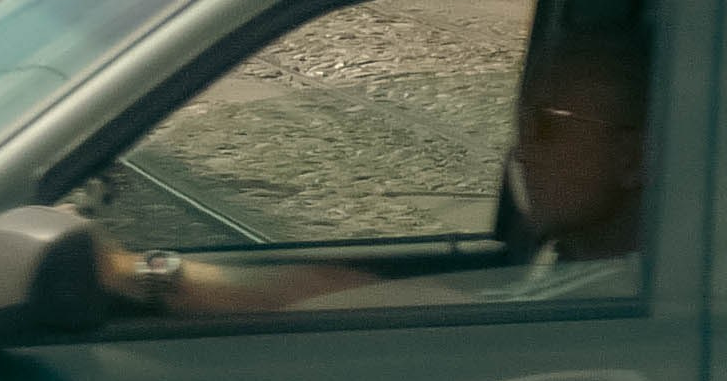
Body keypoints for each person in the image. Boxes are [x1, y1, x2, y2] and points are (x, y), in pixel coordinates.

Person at [94, 28, 651, 321]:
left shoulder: (618, 293)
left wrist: (146, 275)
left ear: (633, 158)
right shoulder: (573, 266)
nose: (520, 151)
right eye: (519, 120)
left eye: (547, 128)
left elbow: (336, 301)